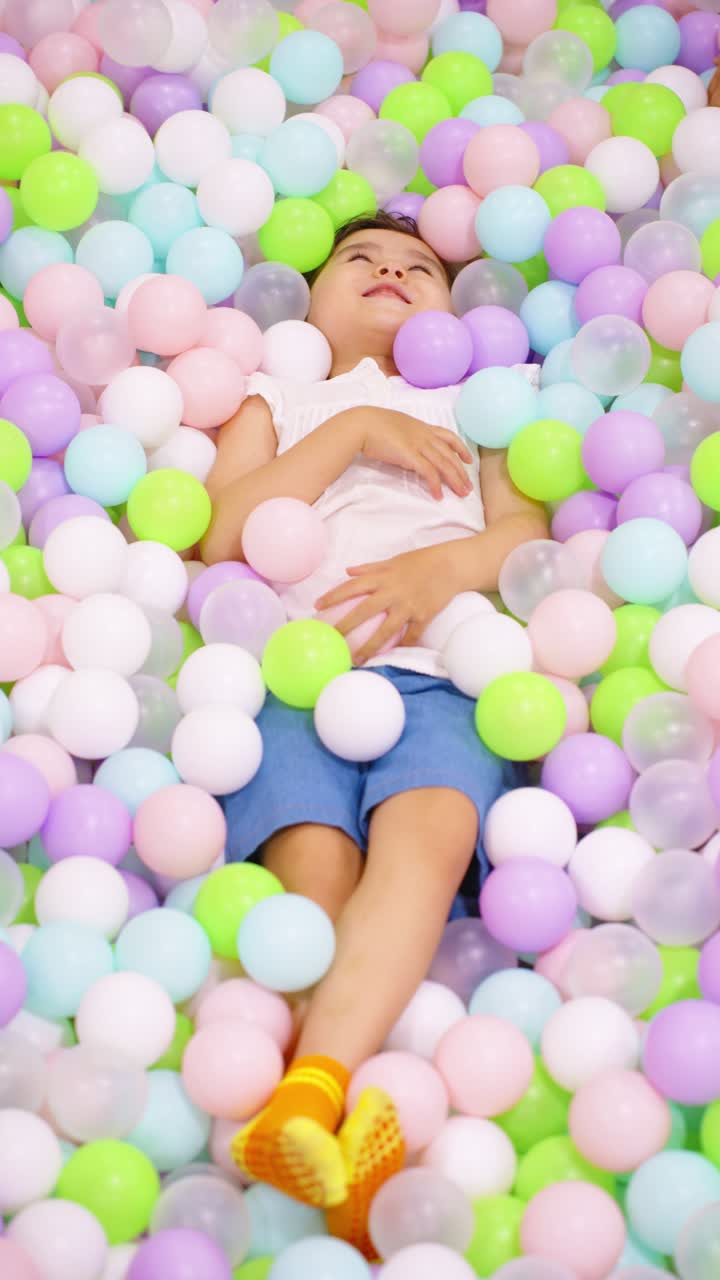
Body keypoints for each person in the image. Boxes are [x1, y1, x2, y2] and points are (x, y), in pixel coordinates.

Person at [201, 212, 547, 1255]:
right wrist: (346, 432)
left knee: (430, 838)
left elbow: (525, 534)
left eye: (419, 268)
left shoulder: (479, 401)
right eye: (361, 260)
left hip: (444, 666)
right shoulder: (280, 397)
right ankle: (338, 1131)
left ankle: (311, 1093)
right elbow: (221, 530)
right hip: (298, 672)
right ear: (308, 301)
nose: (392, 270)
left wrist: (441, 570)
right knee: (318, 872)